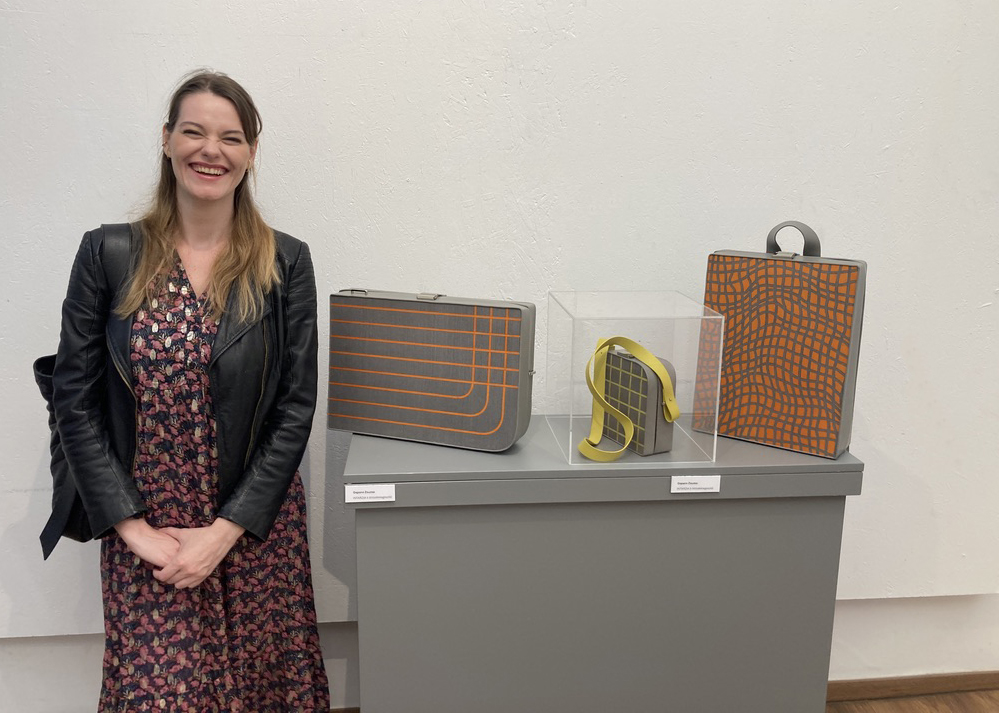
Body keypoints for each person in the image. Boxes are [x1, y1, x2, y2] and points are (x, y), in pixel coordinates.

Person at [50, 70, 330, 710]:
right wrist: (132, 528)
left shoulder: (285, 263)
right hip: (149, 535)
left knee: (263, 693)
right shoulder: (109, 254)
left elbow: (294, 407)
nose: (211, 150)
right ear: (167, 139)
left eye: (230, 137)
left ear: (251, 151)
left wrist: (226, 531)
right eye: (194, 132)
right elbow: (74, 399)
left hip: (254, 531)